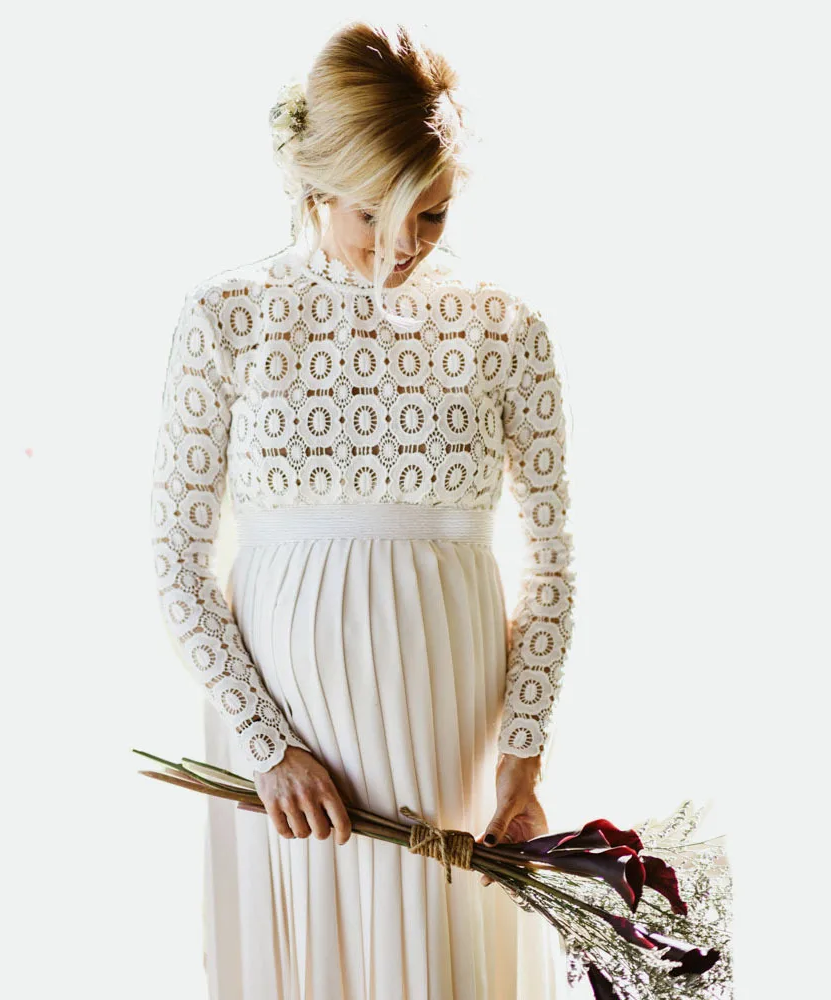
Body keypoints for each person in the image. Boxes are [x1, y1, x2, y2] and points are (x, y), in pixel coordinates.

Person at [150, 20, 576, 1000]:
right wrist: (268, 745)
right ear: (315, 186)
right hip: (286, 745)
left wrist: (520, 759)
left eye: (431, 213)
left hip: (451, 728)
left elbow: (553, 564)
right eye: (373, 215)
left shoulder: (507, 327)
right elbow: (176, 560)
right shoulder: (227, 317)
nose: (404, 246)